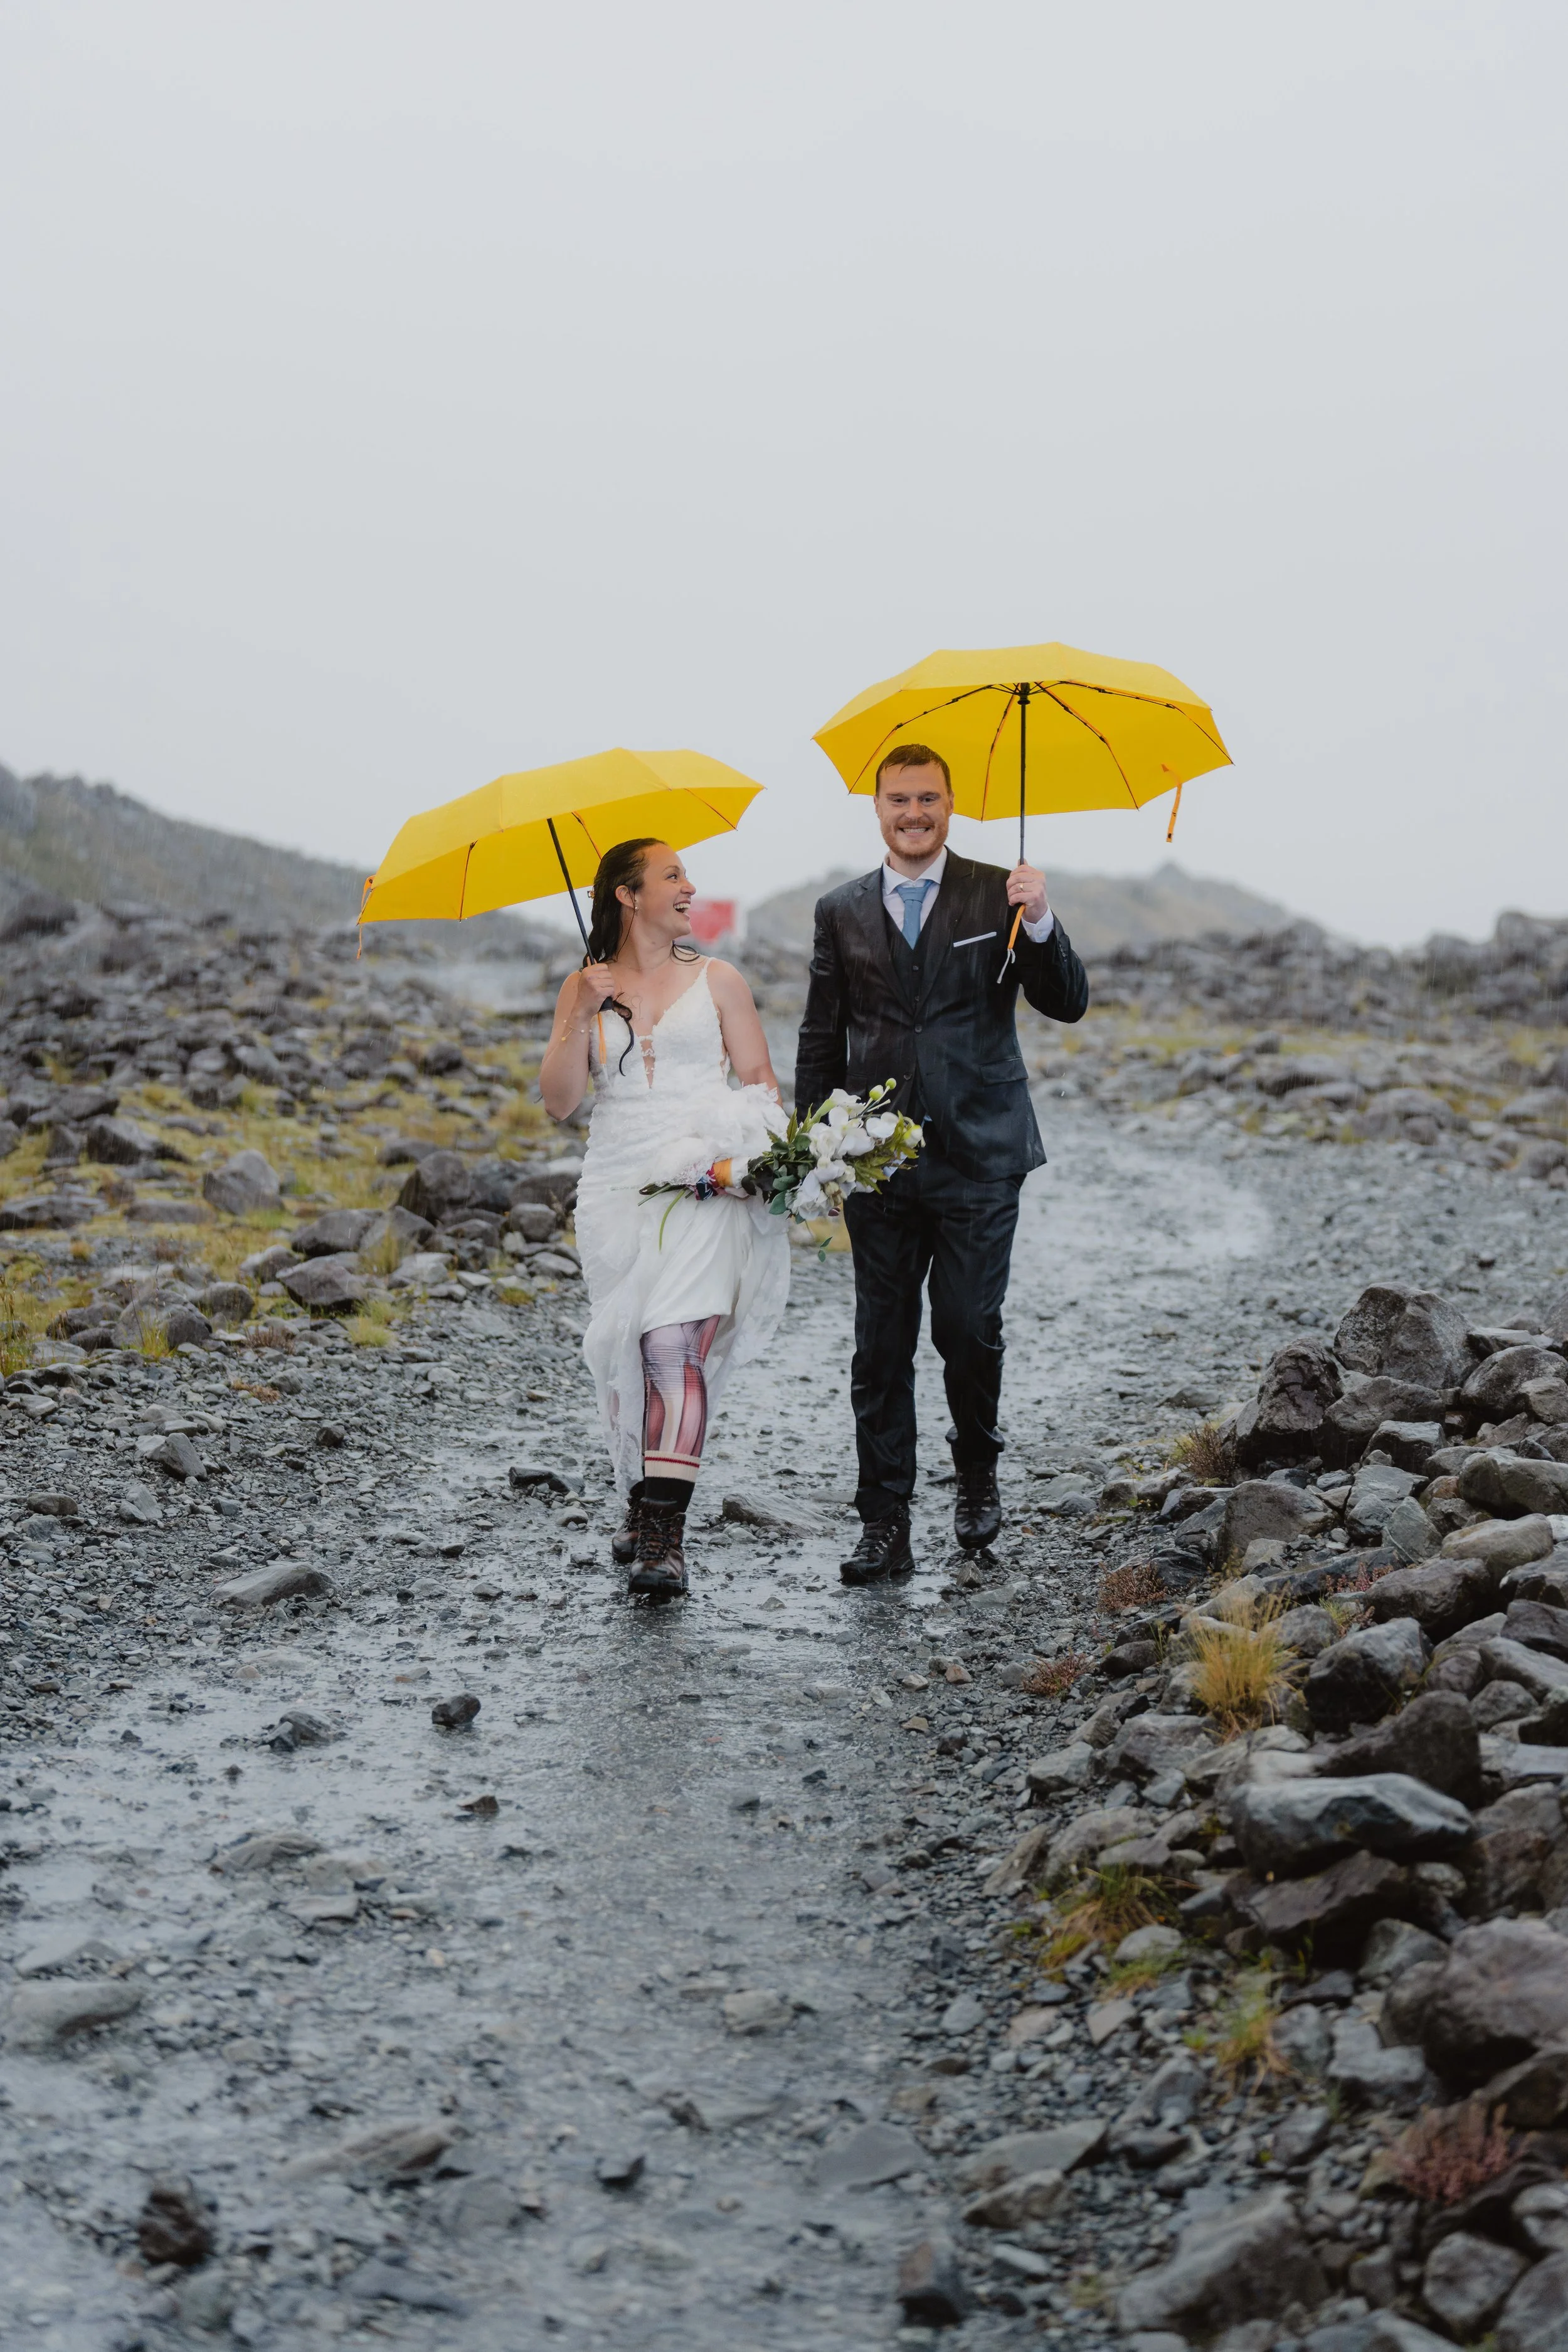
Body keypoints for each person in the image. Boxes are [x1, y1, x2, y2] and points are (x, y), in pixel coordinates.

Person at [793, 744, 1089, 1584]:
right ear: (878, 808)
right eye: (899, 799)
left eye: (928, 798)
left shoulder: (1000, 892)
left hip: (982, 1153)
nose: (913, 812)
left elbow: (1067, 1002)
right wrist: (812, 1150)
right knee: (879, 1346)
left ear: (951, 805)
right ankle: (884, 1522)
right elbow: (822, 1032)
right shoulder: (839, 910)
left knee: (967, 1326)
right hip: (875, 1162)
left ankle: (977, 1469)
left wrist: (1040, 921)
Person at [539, 839, 790, 1597]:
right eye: (672, 876)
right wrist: (578, 1013)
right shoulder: (582, 986)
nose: (690, 887)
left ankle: (663, 1536)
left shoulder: (719, 979)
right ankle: (641, 1493)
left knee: (672, 1348)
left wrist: (754, 1161)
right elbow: (559, 1102)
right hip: (614, 1188)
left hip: (703, 1184)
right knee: (626, 1352)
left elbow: (760, 1082)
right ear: (627, 895)